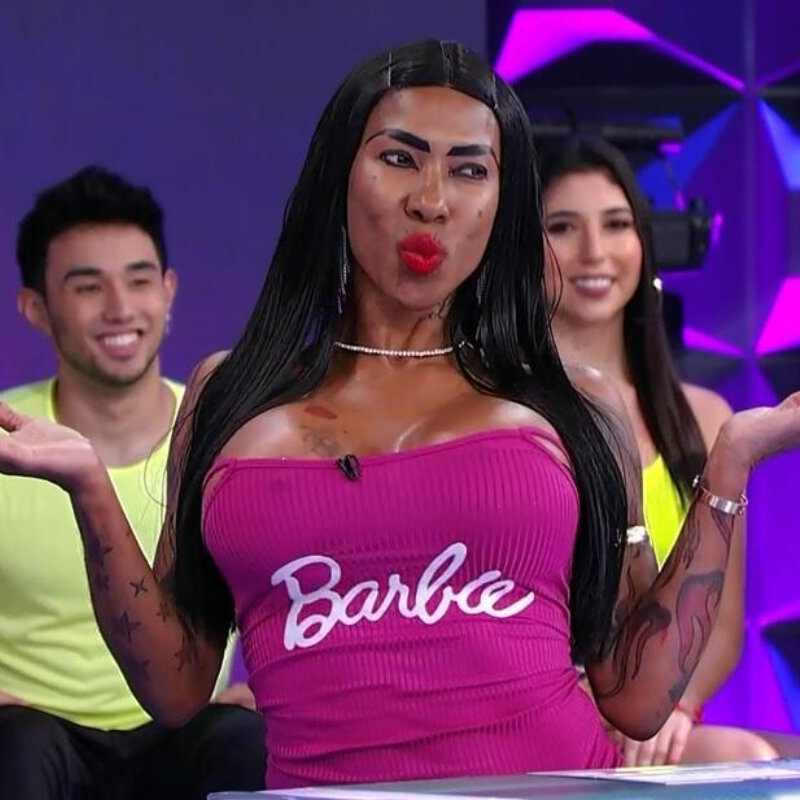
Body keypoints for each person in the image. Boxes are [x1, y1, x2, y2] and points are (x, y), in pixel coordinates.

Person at [0, 41, 798, 790]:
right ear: (338, 177)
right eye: (398, 159)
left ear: (503, 202)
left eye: (469, 170)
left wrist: (730, 463)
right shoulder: (231, 393)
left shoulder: (574, 403)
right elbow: (177, 689)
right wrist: (89, 489)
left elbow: (637, 694)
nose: (431, 201)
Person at [0, 166, 265, 798]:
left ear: (169, 291)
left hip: (185, 728)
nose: (120, 308)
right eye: (88, 287)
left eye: (140, 280)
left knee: (245, 740)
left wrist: (273, 688)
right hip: (30, 736)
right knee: (17, 745)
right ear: (36, 308)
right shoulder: (6, 433)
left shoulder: (226, 435)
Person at [538, 134, 781, 767]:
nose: (594, 251)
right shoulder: (501, 416)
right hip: (539, 715)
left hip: (658, 723)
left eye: (616, 224)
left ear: (644, 244)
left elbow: (720, 622)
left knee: (746, 759)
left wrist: (674, 705)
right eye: (562, 227)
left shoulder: (707, 417)